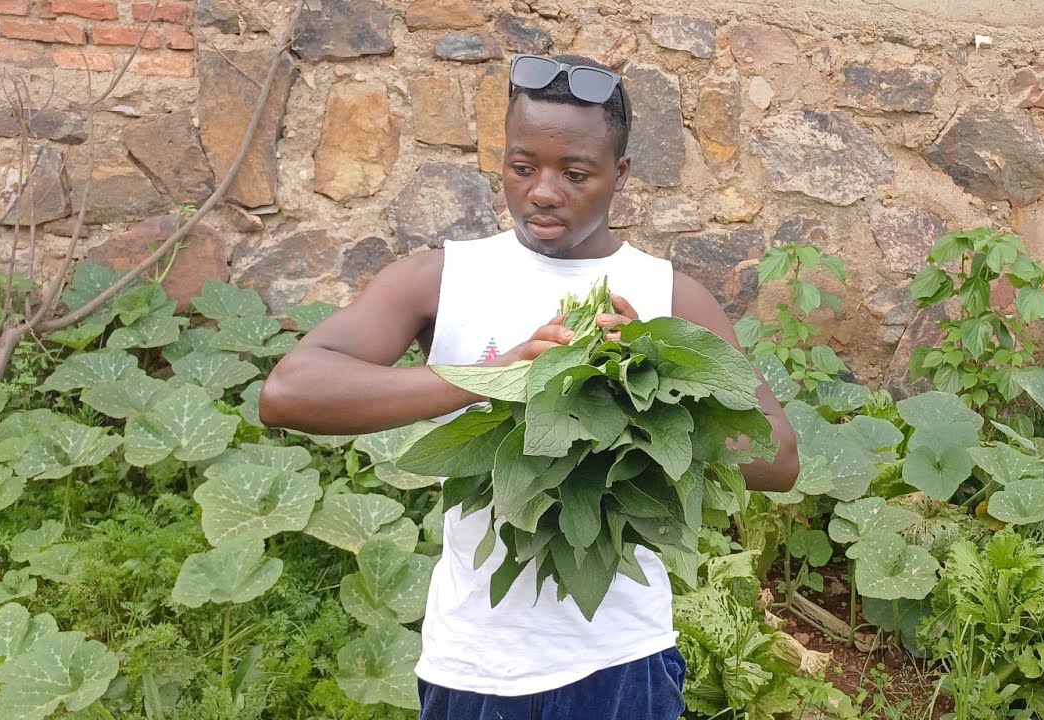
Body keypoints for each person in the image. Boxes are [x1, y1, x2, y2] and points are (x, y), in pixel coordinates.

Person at [259, 53, 800, 720]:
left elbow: (778, 459)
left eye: (575, 173)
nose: (544, 190)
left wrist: (651, 375)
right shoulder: (442, 279)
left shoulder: (668, 298)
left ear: (620, 175)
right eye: (522, 167)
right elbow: (289, 391)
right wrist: (502, 374)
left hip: (621, 655)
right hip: (475, 657)